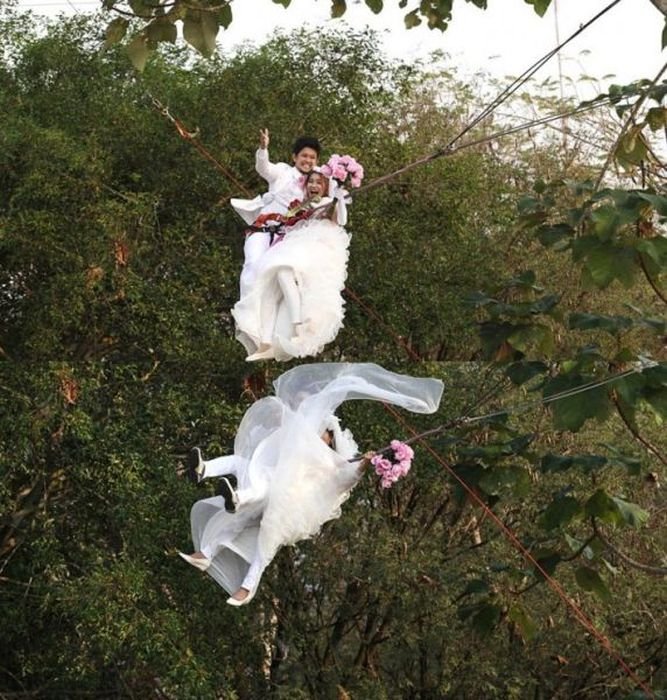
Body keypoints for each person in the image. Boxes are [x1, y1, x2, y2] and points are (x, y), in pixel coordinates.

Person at [178, 363, 444, 607]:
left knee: (264, 539)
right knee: (241, 479)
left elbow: (347, 478)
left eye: (322, 433)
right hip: (265, 488)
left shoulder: (332, 465)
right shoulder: (295, 447)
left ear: (330, 438)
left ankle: (247, 586)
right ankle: (206, 479)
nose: (315, 435)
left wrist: (364, 463)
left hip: (289, 505)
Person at [231, 169, 352, 361]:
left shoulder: (328, 202)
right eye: (310, 182)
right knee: (271, 284)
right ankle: (266, 342)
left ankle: (299, 328)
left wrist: (338, 195)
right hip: (297, 244)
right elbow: (289, 223)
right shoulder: (300, 205)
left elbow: (341, 220)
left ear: (325, 186)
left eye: (318, 182)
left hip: (317, 248)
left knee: (283, 274)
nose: (313, 186)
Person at [231, 129, 321, 298]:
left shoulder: (316, 184)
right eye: (304, 156)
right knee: (253, 264)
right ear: (295, 157)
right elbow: (264, 168)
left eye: (312, 157)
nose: (308, 160)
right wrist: (263, 148)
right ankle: (247, 316)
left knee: (284, 277)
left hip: (288, 239)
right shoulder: (283, 172)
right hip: (263, 230)